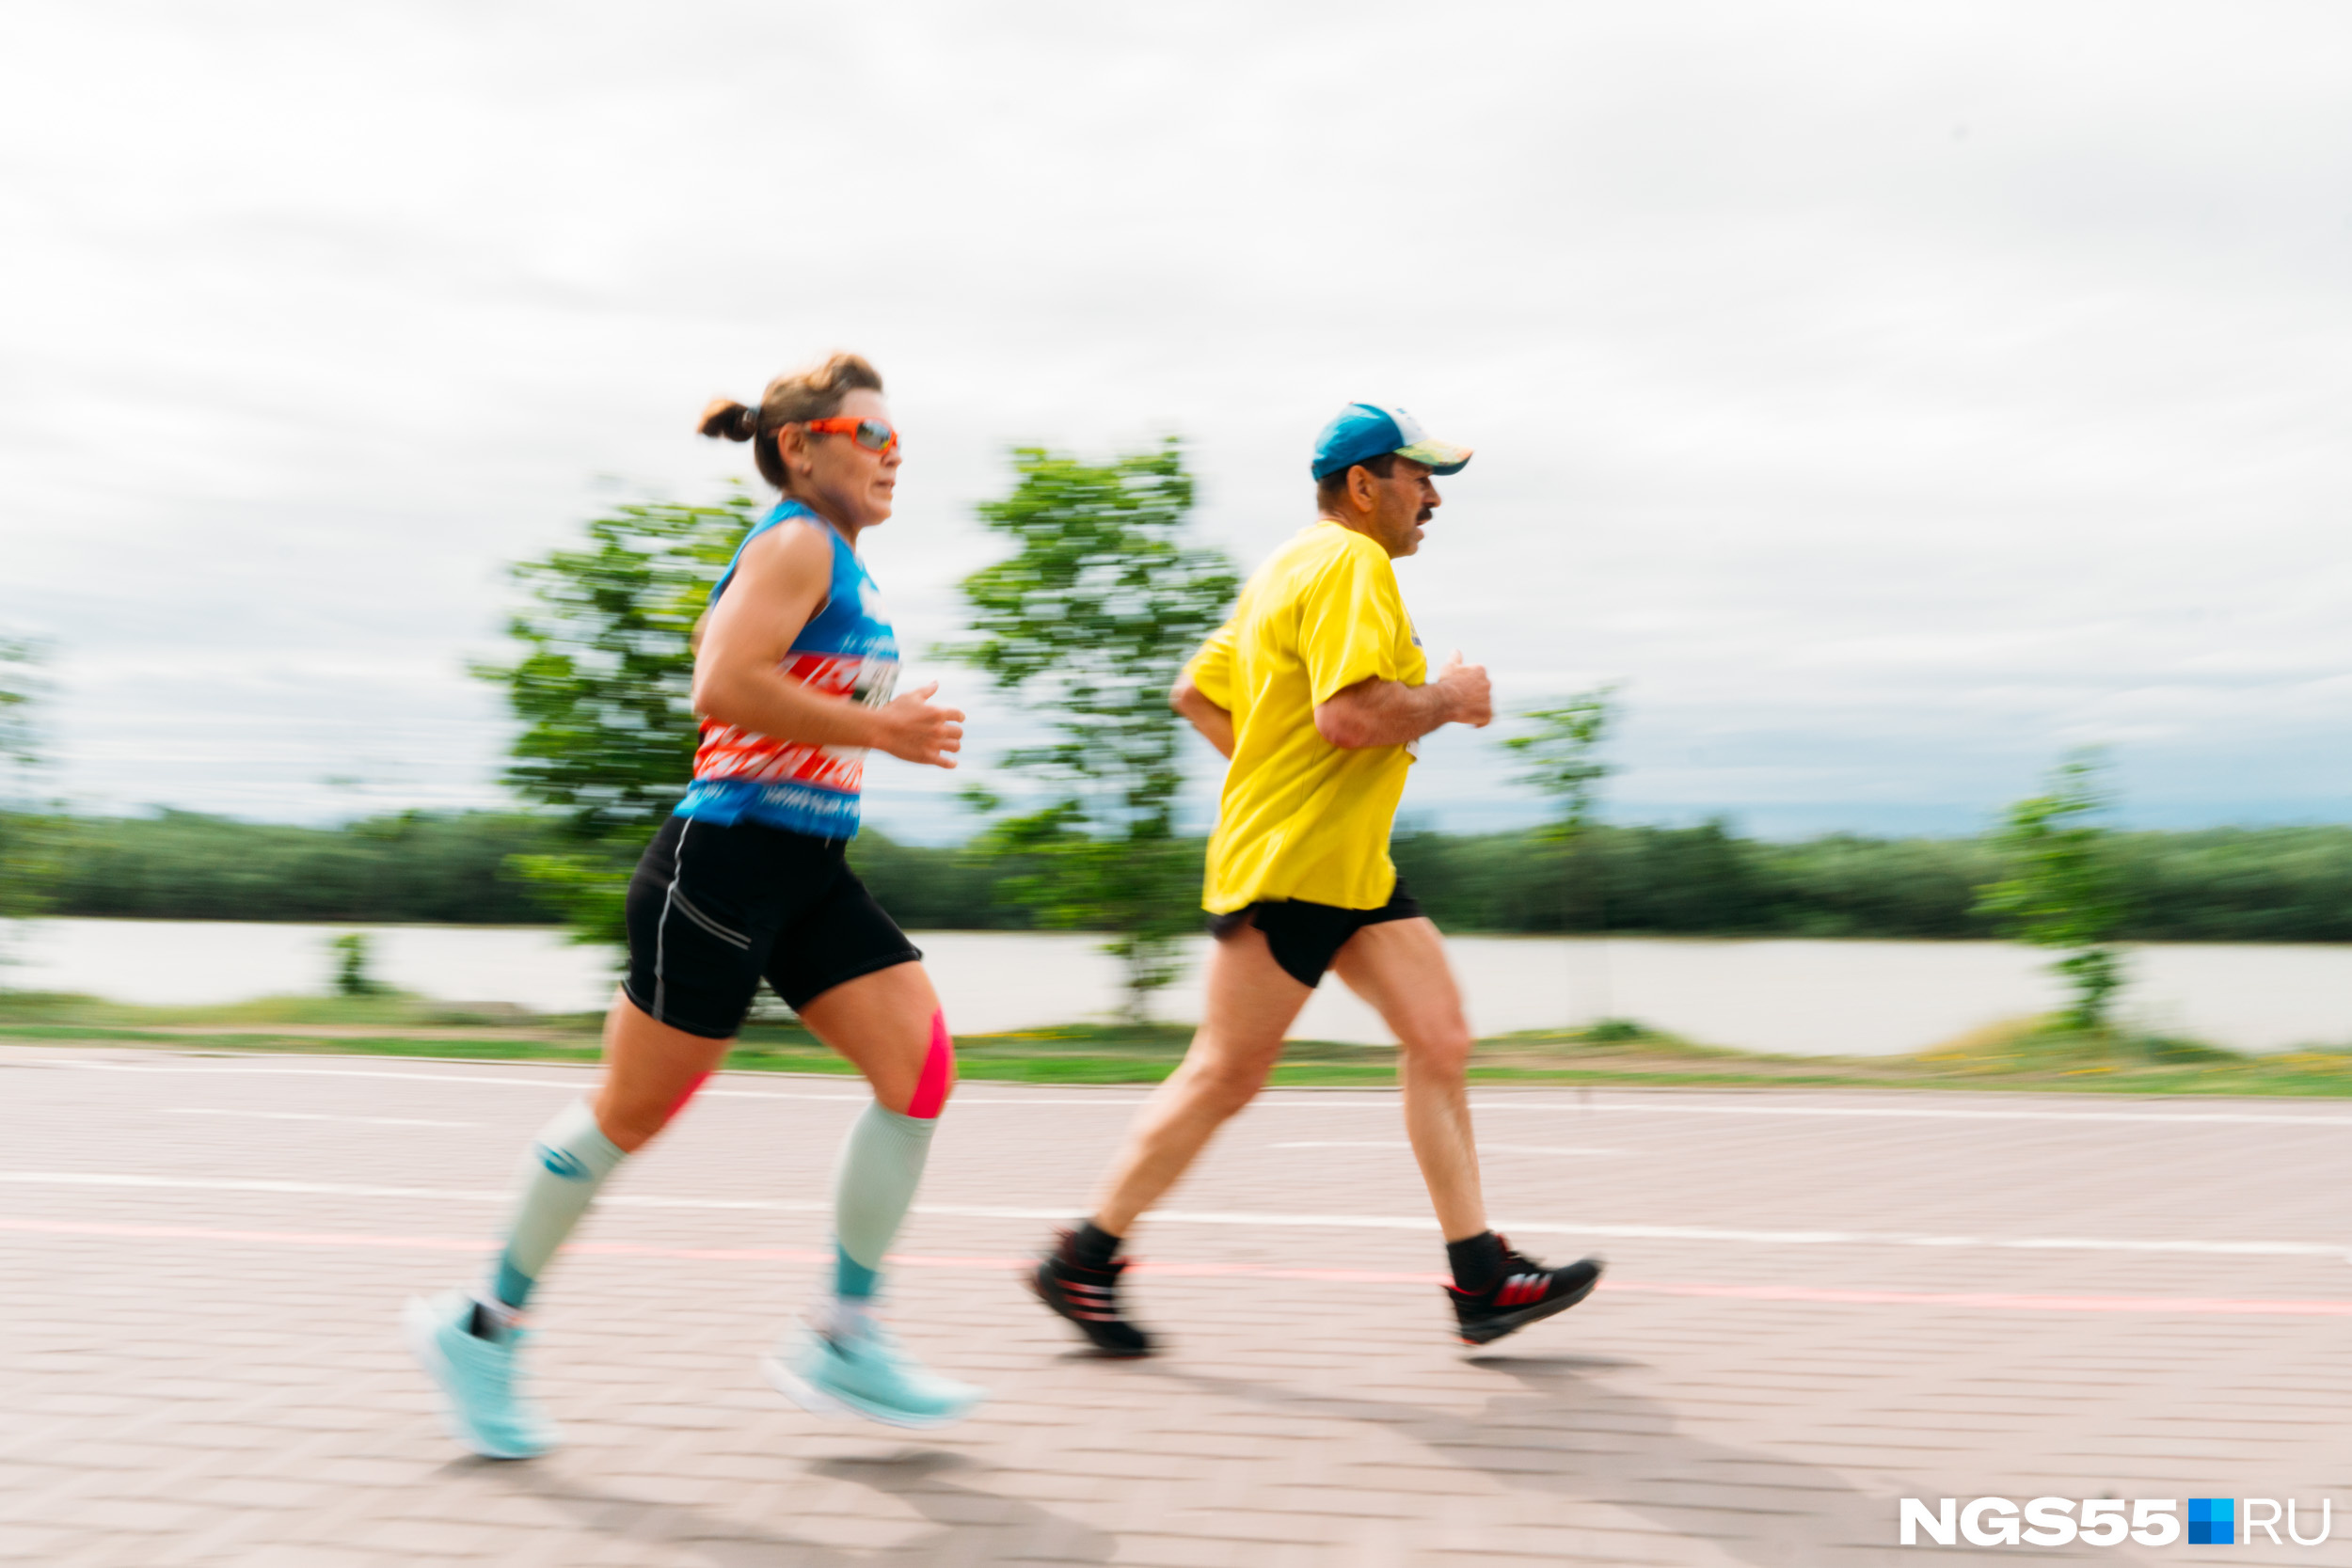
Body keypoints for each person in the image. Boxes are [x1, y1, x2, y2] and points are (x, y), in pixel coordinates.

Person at [407, 352, 983, 1456]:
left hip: (807, 862)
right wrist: (882, 727)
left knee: (919, 1071)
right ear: (802, 445)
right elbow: (720, 681)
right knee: (629, 1112)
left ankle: (845, 1333)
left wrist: (868, 721)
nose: (893, 451)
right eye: (872, 434)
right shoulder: (796, 540)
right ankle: (480, 1328)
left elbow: (772, 692)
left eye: (897, 437)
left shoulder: (834, 560)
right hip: (718, 868)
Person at [1028, 403, 1605, 1355]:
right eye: (1418, 477)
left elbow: (1194, 690)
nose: (1432, 497)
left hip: (1349, 867)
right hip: (1295, 869)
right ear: (1362, 485)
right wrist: (1448, 700)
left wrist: (1273, 776)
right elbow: (1348, 715)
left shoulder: (1284, 566)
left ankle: (1481, 1275)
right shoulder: (1348, 562)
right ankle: (1084, 1258)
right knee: (1223, 1074)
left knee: (1441, 1036)